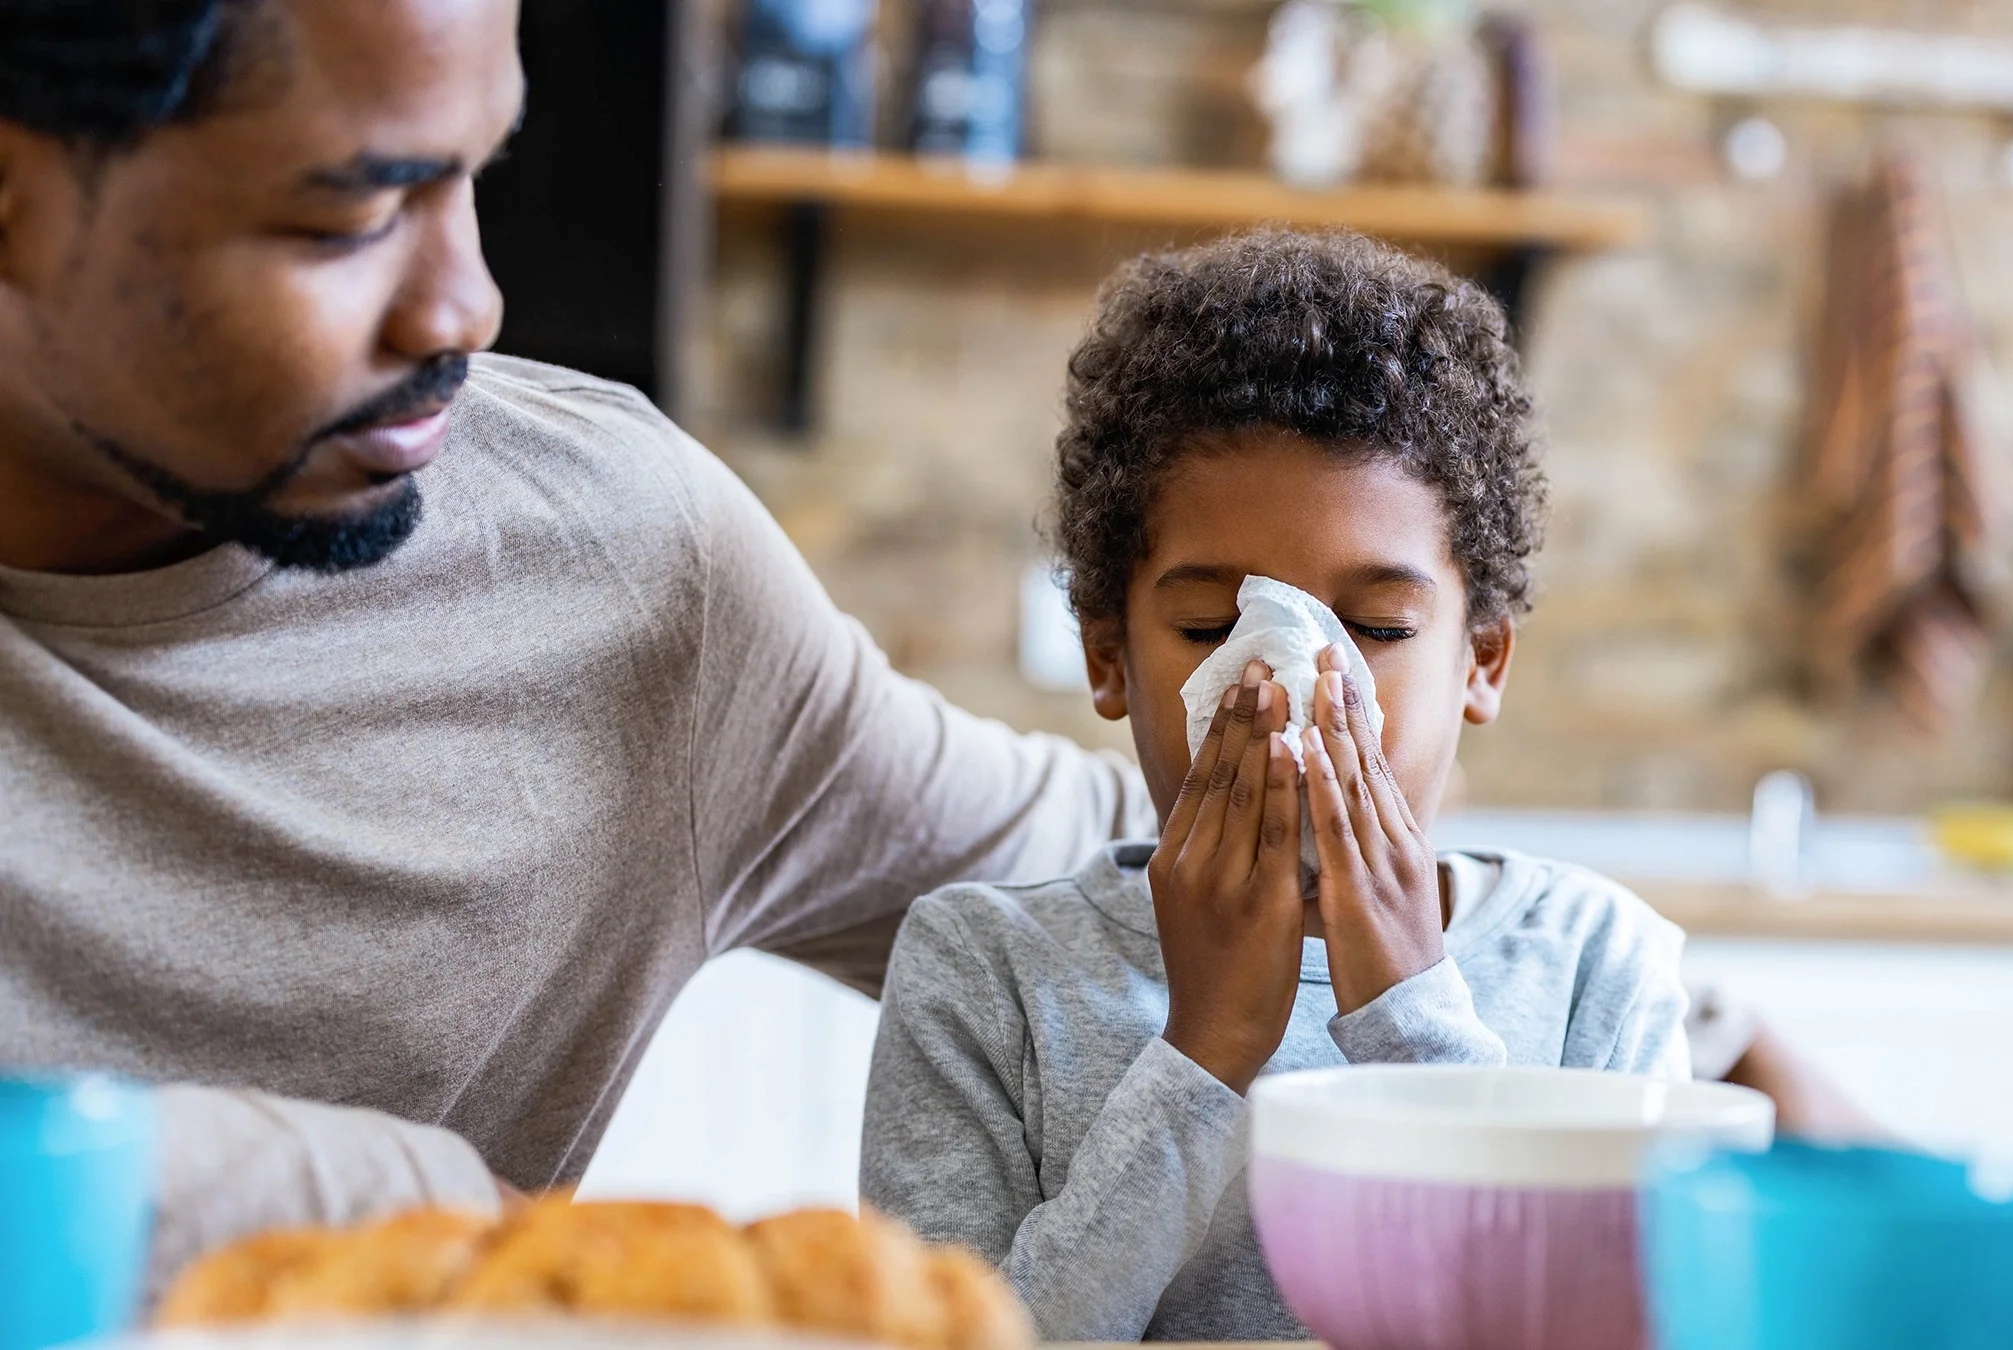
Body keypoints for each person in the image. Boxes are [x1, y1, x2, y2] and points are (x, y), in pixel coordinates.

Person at [0, 0, 1148, 1296]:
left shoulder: (624, 576)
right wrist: (405, 1200)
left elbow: (1133, 898)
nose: (465, 306)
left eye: (472, 175)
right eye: (352, 217)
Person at [860, 230, 1692, 1343]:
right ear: (1108, 655)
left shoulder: (1597, 970)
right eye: (1211, 626)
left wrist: (1415, 1026)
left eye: (1378, 628)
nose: (1295, 693)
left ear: (1480, 662)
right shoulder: (982, 976)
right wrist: (1202, 1055)